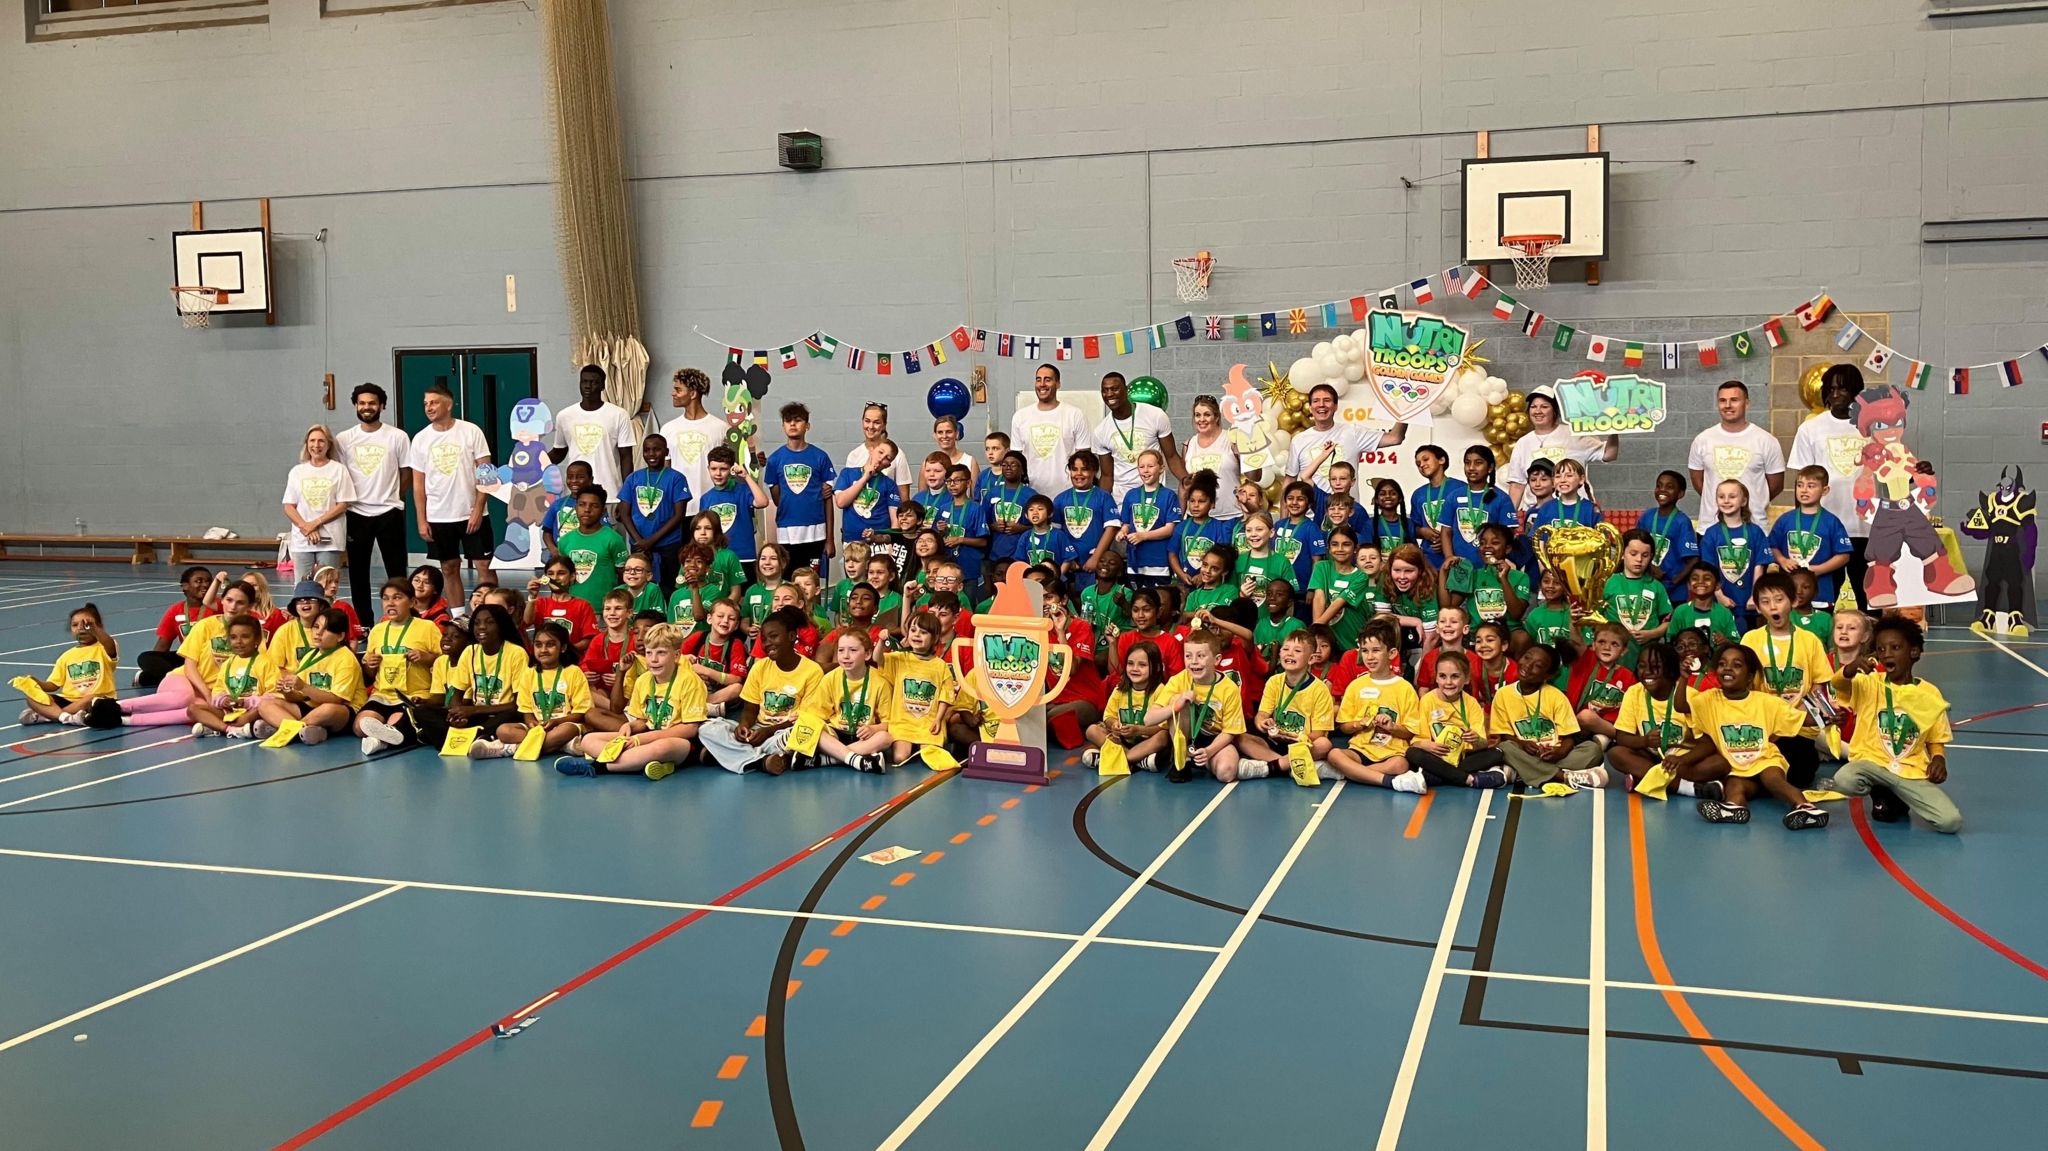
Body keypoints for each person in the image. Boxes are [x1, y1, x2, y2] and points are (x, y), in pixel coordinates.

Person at [1819, 616, 1961, 833]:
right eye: (1881, 649)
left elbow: (1936, 736)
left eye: (1895, 648)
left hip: (1910, 771)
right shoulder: (1869, 683)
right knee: (1844, 780)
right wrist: (1849, 670)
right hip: (1873, 763)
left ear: (1913, 653)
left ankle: (1895, 795)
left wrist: (1939, 760)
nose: (1887, 654)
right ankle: (1880, 790)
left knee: (1950, 822)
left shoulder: (1929, 692)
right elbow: (1839, 685)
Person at [1674, 643, 1828, 829]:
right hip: (1735, 766)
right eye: (1722, 664)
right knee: (1734, 787)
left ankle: (1805, 807)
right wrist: (1684, 679)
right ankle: (1733, 807)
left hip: (1764, 760)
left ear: (1749, 677)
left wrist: (1827, 718)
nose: (1728, 668)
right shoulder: (1708, 700)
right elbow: (1681, 706)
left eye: (1736, 665)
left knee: (1774, 780)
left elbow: (1802, 719)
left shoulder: (1766, 702)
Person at [558, 622, 709, 778]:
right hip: (647, 736)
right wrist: (629, 725)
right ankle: (642, 762)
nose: (654, 659)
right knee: (589, 740)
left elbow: (690, 729)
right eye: (649, 653)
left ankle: (597, 767)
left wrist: (640, 739)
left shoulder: (690, 681)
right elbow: (642, 720)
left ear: (676, 656)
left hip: (680, 742)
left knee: (661, 747)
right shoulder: (643, 680)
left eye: (661, 653)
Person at [408, 382, 496, 608]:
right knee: (449, 567)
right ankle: (458, 618)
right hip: (439, 517)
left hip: (472, 513)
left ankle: (491, 612)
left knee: (484, 565)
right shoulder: (420, 439)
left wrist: (478, 509)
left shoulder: (471, 431)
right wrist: (421, 519)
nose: (429, 407)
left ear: (448, 405)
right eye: (426, 403)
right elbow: (418, 484)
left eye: (434, 402)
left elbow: (486, 473)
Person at [1787, 364, 1871, 596]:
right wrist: (1801, 523)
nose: (1835, 395)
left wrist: (1917, 474)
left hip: (1864, 526)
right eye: (1831, 389)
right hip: (1823, 527)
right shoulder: (1810, 429)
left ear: (1855, 391)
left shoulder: (1872, 426)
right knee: (1824, 597)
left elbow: (1892, 469)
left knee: (1867, 597)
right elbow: (1801, 479)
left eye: (1842, 389)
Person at [336, 383, 414, 628]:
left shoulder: (397, 436)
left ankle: (402, 621)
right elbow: (337, 475)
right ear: (356, 406)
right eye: (362, 403)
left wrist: (395, 497)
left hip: (389, 512)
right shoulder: (344, 439)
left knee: (397, 573)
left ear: (381, 405)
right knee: (358, 574)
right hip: (356, 514)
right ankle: (365, 625)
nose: (366, 407)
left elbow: (407, 471)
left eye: (371, 403)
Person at [1485, 642, 1603, 788]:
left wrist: (1559, 752)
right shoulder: (1503, 694)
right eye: (1527, 658)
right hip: (1524, 753)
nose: (1528, 665)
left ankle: (1524, 773)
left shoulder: (1556, 696)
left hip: (1553, 756)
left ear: (1548, 675)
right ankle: (1562, 776)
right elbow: (1503, 735)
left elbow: (1569, 738)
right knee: (1505, 748)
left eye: (1538, 665)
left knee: (1593, 749)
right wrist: (1523, 744)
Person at [1326, 621, 1426, 791]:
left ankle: (1351, 774)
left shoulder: (1405, 688)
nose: (1370, 657)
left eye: (1376, 650)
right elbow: (1344, 726)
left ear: (1392, 653)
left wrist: (1392, 727)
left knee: (1401, 764)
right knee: (1334, 754)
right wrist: (1359, 724)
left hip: (1392, 752)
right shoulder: (1356, 686)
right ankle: (1389, 781)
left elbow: (1410, 731)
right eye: (1365, 651)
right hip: (1360, 749)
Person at [251, 608, 364, 746]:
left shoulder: (346, 658)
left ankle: (285, 729)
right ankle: (306, 730)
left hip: (341, 712)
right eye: (316, 627)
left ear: (340, 636)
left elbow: (336, 699)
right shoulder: (309, 656)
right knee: (265, 705)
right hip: (311, 708)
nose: (318, 633)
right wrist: (287, 692)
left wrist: (303, 686)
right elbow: (301, 697)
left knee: (328, 709)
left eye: (327, 629)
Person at [355, 579, 444, 753]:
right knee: (359, 726)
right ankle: (386, 737)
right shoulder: (377, 630)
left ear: (412, 602)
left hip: (413, 695)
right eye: (386, 598)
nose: (390, 603)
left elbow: (443, 661)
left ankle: (382, 738)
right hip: (383, 694)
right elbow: (369, 671)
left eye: (397, 598)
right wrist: (370, 665)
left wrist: (426, 657)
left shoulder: (427, 627)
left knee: (395, 723)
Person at [1146, 629, 1245, 783]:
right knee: (1181, 700)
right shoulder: (1178, 680)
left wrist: (1209, 751)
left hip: (1214, 739)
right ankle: (1182, 758)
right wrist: (1176, 705)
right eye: (1188, 656)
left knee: (1227, 772)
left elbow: (1230, 731)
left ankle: (1202, 761)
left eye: (1201, 656)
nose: (1193, 662)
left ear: (1216, 659)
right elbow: (1149, 719)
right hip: (1185, 736)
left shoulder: (1229, 688)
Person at [1502, 383, 1619, 508]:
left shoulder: (1573, 434)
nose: (1538, 411)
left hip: (1575, 510)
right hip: (1539, 512)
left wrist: (1614, 431)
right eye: (1533, 407)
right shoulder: (1523, 443)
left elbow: (1609, 454)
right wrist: (1508, 519)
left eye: (1544, 406)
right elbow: (1517, 485)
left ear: (1555, 411)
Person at [1237, 631, 1334, 781]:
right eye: (1286, 649)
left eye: (1297, 651)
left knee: (1324, 744)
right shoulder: (1274, 682)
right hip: (1276, 742)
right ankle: (1293, 766)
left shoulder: (1320, 689)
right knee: (1240, 738)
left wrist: (1292, 736)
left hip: (1303, 744)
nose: (1289, 654)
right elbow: (1261, 714)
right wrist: (1263, 722)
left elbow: (1318, 734)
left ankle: (1270, 767)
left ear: (1311, 659)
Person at [1688, 380, 1785, 523]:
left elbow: (1776, 485)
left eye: (1734, 400)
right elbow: (1698, 482)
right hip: (1711, 525)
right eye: (1722, 400)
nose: (1727, 405)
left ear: (1746, 404)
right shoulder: (1702, 440)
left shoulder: (1766, 441)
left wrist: (1754, 501)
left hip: (1753, 525)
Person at [1288, 383, 1405, 495]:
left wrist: (1406, 410)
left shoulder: (1352, 432)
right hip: (1314, 515)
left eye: (1327, 400)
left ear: (1335, 406)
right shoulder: (1299, 440)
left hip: (1350, 513)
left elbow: (1395, 438)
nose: (1321, 405)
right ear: (1310, 407)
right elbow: (1289, 482)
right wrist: (1284, 516)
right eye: (1316, 401)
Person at [807, 629, 895, 772]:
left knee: (885, 738)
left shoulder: (880, 683)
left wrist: (874, 728)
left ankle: (828, 759)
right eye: (841, 650)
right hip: (836, 734)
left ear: (867, 654)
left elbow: (888, 722)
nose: (846, 656)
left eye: (853, 650)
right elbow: (816, 715)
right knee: (813, 729)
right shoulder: (830, 678)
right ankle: (856, 759)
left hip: (864, 737)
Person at [14, 605, 118, 726]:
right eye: (75, 625)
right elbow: (53, 685)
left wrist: (94, 629)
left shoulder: (104, 648)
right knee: (31, 699)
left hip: (98, 699)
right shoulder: (66, 656)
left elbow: (110, 645)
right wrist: (36, 682)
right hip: (69, 701)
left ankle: (48, 716)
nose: (80, 628)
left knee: (90, 699)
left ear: (98, 626)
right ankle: (66, 717)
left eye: (85, 624)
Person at [548, 364, 637, 504]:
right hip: (576, 496)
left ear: (602, 386)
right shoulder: (564, 416)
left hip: (610, 495)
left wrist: (627, 496)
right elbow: (559, 452)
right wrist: (533, 463)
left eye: (594, 382)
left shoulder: (619, 415)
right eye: (584, 381)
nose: (588, 386)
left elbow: (626, 457)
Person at [1768, 466, 1854, 610]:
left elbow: (1844, 556)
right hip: (1787, 592)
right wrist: (1782, 560)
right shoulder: (1785, 520)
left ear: (1825, 490)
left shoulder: (1831, 521)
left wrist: (1820, 569)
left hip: (1820, 592)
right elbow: (1772, 546)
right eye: (1800, 485)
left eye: (1811, 486)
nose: (1804, 490)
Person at [764, 402, 836, 571]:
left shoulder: (820, 457)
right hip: (787, 533)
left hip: (816, 532)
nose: (793, 424)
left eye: (798, 420)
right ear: (783, 426)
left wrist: (830, 539)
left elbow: (828, 501)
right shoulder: (775, 460)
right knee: (790, 584)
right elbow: (777, 500)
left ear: (807, 425)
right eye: (788, 421)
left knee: (813, 583)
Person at [619, 433, 695, 591]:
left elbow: (679, 515)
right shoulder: (633, 478)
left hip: (669, 543)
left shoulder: (676, 478)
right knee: (640, 585)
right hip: (639, 543)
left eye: (656, 450)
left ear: (666, 452)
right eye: (647, 450)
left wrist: (651, 540)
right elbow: (624, 513)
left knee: (669, 586)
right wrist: (639, 540)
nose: (651, 454)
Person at [1084, 641, 1172, 772]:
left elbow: (1162, 726)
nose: (1135, 668)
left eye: (1142, 665)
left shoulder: (1161, 690)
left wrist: (1139, 730)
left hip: (1147, 741)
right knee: (1092, 730)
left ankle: (1118, 758)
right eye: (1130, 663)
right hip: (1122, 741)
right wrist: (1113, 725)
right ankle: (1137, 760)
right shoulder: (1120, 689)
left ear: (1157, 667)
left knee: (1163, 737)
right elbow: (1108, 716)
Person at [282, 424, 357, 579]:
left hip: (331, 539)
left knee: (326, 585)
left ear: (328, 444)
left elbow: (343, 505)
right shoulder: (297, 472)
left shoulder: (339, 470)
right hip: (302, 540)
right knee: (302, 585)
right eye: (312, 441)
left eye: (321, 441)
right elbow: (289, 506)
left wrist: (315, 523)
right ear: (307, 444)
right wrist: (306, 527)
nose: (316, 445)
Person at [1010, 363, 1094, 499]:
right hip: (1030, 495)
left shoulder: (1075, 414)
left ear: (1058, 383)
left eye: (1047, 379)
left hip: (1067, 494)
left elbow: (1084, 460)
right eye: (1038, 379)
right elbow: (1015, 459)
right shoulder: (1020, 416)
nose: (1042, 384)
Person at [185, 615, 277, 739]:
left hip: (252, 712)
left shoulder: (266, 663)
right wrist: (224, 700)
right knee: (192, 709)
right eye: (233, 637)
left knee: (261, 710)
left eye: (245, 637)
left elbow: (274, 695)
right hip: (229, 711)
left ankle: (215, 726)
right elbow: (218, 689)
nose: (238, 642)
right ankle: (230, 729)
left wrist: (247, 703)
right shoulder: (228, 663)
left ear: (257, 639)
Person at [660, 367, 736, 514]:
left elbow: (731, 469)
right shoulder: (667, 429)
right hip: (678, 509)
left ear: (693, 393)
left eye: (678, 389)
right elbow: (665, 471)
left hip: (712, 507)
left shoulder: (721, 428)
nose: (673, 393)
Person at [1093, 372, 1177, 502]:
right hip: (1122, 500)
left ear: (1126, 390)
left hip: (1154, 497)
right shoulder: (1100, 431)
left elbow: (1172, 456)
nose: (1109, 394)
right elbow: (1107, 476)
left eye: (1114, 389)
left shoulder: (1155, 415)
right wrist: (1100, 504)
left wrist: (1187, 480)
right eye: (1105, 390)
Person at [1700, 479, 1771, 622]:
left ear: (1744, 501)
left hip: (1749, 603)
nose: (1726, 501)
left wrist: (1755, 595)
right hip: (1721, 602)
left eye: (1732, 496)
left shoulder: (1755, 532)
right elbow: (1709, 569)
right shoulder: (1711, 533)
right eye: (1721, 497)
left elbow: (1759, 566)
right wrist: (1719, 596)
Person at [698, 445, 767, 576]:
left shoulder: (742, 490)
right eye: (713, 469)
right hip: (717, 558)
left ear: (731, 469)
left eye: (723, 469)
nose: (718, 473)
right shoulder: (706, 499)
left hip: (743, 556)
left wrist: (746, 476)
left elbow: (763, 502)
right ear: (708, 469)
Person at [1174, 395, 1244, 521]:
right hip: (1197, 518)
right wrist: (1180, 518)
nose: (1201, 419)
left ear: (1216, 417)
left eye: (1207, 415)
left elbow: (1253, 476)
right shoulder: (1189, 444)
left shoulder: (1232, 439)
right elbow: (1184, 484)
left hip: (1230, 516)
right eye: (1197, 415)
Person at [142, 566, 214, 688]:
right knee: (145, 658)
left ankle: (179, 680)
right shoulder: (175, 610)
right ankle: (186, 679)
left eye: (209, 581)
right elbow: (162, 645)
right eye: (199, 581)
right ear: (185, 586)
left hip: (213, 658)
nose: (205, 585)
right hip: (188, 658)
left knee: (145, 678)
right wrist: (154, 665)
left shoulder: (220, 606)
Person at [1120, 449, 1180, 588]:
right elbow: (1126, 524)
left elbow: (1170, 529)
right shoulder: (1131, 495)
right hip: (1135, 562)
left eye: (1150, 466)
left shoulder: (1169, 496)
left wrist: (1144, 536)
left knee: (1158, 602)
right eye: (1141, 467)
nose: (1145, 471)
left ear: (1161, 468)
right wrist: (1122, 532)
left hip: (1158, 562)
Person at [1640, 469, 1701, 595]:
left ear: (1680, 494)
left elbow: (1693, 559)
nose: (1662, 490)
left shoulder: (1682, 521)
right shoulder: (1647, 516)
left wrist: (1673, 583)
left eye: (1670, 487)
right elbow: (1635, 544)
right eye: (1659, 485)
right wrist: (1650, 566)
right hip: (1647, 585)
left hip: (1674, 592)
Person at [835, 437, 902, 550]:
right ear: (871, 450)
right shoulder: (847, 473)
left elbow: (895, 520)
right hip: (852, 541)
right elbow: (841, 502)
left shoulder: (889, 484)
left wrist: (893, 545)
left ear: (888, 465)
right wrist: (865, 477)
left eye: (887, 458)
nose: (881, 458)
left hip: (878, 544)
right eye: (880, 452)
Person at [1410, 444, 1468, 567]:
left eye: (1426, 459)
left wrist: (1447, 541)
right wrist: (1422, 531)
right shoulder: (1418, 494)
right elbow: (1413, 527)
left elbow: (1470, 523)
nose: (1421, 465)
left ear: (1441, 460)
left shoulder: (1461, 488)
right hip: (1429, 558)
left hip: (1457, 557)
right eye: (1418, 463)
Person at [844, 402, 915, 489]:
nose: (871, 426)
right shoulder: (853, 455)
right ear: (862, 421)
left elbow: (904, 499)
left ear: (884, 425)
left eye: (876, 422)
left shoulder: (897, 455)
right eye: (867, 421)